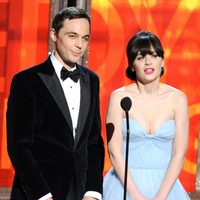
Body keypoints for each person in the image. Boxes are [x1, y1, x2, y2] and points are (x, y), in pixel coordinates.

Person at [7, 7, 104, 200]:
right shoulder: (27, 81)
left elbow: (93, 142)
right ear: (54, 34)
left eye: (85, 38)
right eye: (72, 36)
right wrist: (43, 195)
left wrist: (92, 192)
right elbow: (19, 146)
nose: (79, 45)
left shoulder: (91, 80)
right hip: (39, 192)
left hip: (80, 192)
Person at [103, 31, 190, 200]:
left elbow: (179, 153)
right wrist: (136, 196)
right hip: (124, 186)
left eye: (154, 55)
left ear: (162, 60)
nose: (148, 62)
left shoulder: (178, 99)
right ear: (131, 65)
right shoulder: (119, 98)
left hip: (166, 187)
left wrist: (161, 197)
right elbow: (114, 152)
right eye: (140, 57)